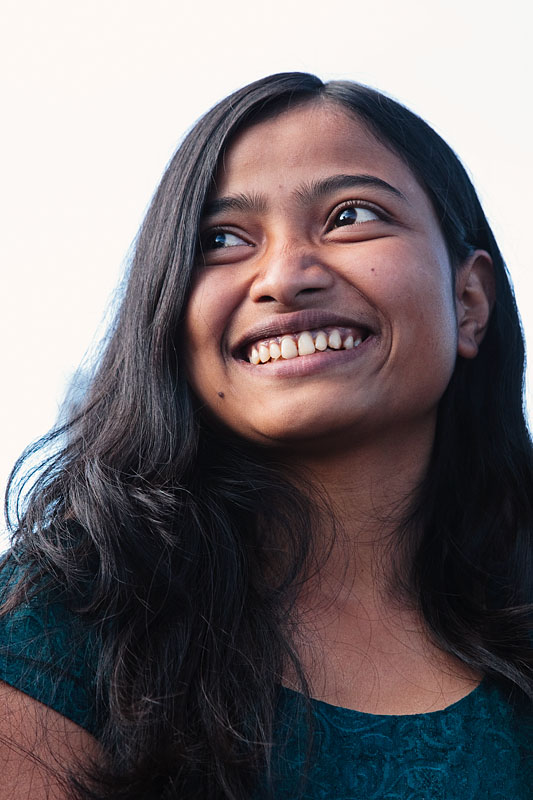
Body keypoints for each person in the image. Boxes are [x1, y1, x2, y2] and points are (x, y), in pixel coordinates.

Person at [1, 71, 532, 799]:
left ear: (468, 301)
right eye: (220, 239)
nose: (284, 277)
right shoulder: (56, 629)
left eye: (350, 216)